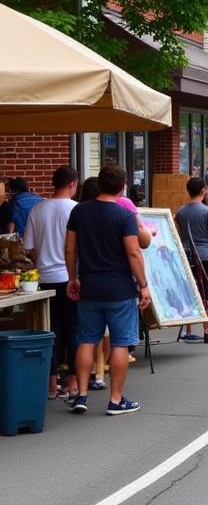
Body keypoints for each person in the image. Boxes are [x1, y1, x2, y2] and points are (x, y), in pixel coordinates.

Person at [64, 165, 149, 416]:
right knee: (121, 342)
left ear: (99, 184)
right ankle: (116, 399)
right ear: (122, 188)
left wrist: (72, 278)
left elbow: (70, 249)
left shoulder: (79, 211)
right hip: (119, 288)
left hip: (89, 285)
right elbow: (134, 252)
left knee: (86, 339)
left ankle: (81, 394)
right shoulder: (124, 215)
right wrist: (143, 285)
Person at [23, 166, 79, 398]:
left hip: (44, 279)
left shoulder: (37, 209)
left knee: (50, 330)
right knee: (74, 330)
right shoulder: (76, 209)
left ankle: (51, 383)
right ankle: (74, 383)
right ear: (73, 185)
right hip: (70, 278)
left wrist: (41, 263)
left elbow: (29, 248)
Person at [176, 177, 208, 343]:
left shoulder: (180, 212)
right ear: (203, 191)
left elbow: (180, 234)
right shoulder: (207, 212)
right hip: (206, 255)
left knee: (192, 291)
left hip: (187, 255)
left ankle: (189, 328)